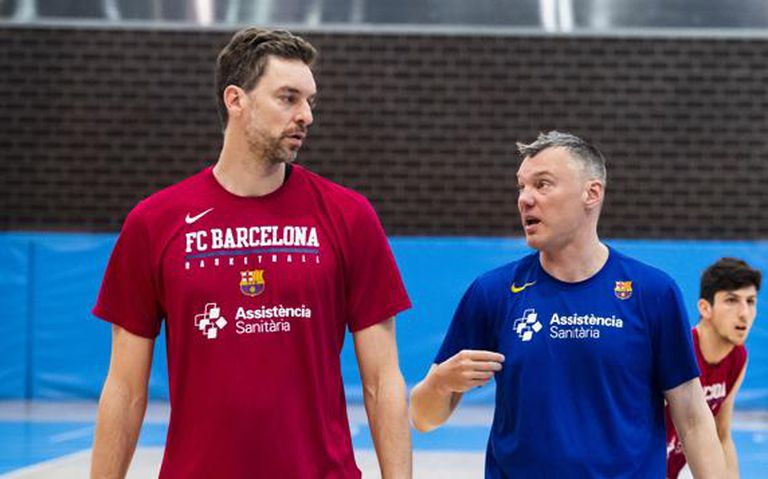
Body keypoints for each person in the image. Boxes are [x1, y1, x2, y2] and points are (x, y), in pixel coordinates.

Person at [90, 28, 412, 479]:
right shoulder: (154, 223)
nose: (306, 116)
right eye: (288, 98)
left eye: (309, 101)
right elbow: (124, 390)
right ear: (235, 100)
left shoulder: (349, 217)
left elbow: (382, 383)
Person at [409, 131, 727, 478]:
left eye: (542, 185)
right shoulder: (493, 293)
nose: (525, 200)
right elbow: (423, 419)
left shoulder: (652, 292)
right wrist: (439, 383)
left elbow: (693, 420)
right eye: (521, 187)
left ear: (592, 193)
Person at [666, 258, 761, 479]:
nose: (744, 313)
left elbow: (722, 433)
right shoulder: (676, 351)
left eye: (751, 301)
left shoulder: (738, 358)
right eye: (731, 300)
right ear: (705, 308)